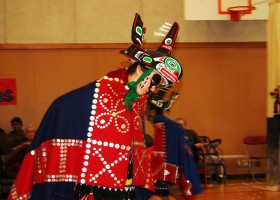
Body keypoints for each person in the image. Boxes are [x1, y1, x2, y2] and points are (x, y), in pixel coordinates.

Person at [8, 13, 183, 200]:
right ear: (140, 69)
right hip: (93, 189)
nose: (155, 87)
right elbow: (63, 112)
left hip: (126, 188)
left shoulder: (136, 102)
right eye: (156, 80)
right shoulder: (95, 95)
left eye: (161, 85)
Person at [147, 92, 203, 199]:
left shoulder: (161, 121)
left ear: (153, 110)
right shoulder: (164, 121)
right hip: (167, 159)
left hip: (167, 159)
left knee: (165, 185)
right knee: (164, 186)